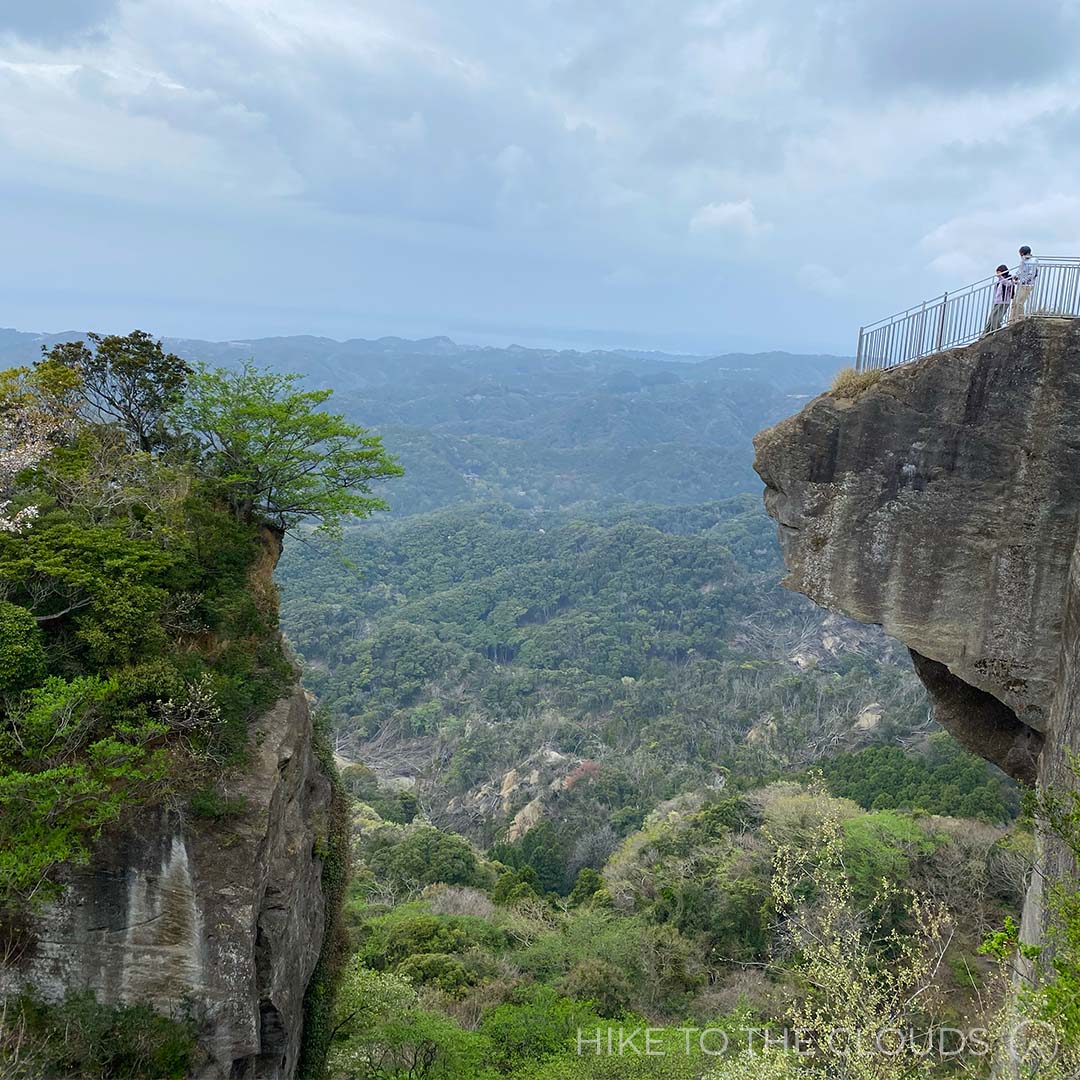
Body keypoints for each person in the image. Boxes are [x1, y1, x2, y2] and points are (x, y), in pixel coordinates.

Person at [1010, 245, 1039, 321]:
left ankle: (1020, 319)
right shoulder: (1023, 260)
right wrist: (1015, 276)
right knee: (1014, 303)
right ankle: (1011, 320)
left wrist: (1021, 281)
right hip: (1021, 284)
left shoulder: (1033, 261)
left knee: (1019, 302)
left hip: (1027, 285)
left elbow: (1031, 275)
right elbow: (1020, 270)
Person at [984, 265, 1015, 334]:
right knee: (991, 318)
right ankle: (986, 334)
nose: (997, 274)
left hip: (1004, 302)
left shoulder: (1009, 279)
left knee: (996, 319)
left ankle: (999, 332)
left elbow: (1008, 284)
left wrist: (1001, 277)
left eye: (999, 272)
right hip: (997, 302)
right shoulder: (1000, 281)